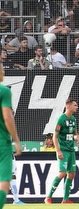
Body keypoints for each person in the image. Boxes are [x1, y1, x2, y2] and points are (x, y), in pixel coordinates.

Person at [45, 98, 79, 204]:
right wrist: (58, 150)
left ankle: (65, 200)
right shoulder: (61, 119)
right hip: (63, 150)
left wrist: (77, 139)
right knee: (62, 173)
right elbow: (55, 136)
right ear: (68, 106)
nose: (77, 107)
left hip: (71, 151)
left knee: (72, 173)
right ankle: (48, 197)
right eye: (75, 105)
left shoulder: (73, 119)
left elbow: (74, 133)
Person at [0, 65, 23, 208]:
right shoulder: (3, 91)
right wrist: (16, 140)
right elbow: (8, 118)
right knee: (5, 179)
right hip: (2, 142)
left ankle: (16, 199)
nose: (4, 71)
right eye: (2, 69)